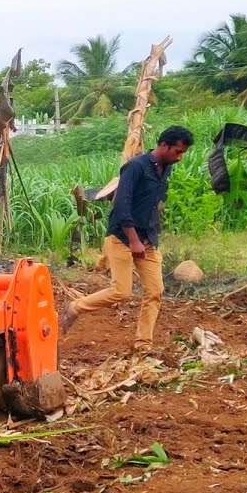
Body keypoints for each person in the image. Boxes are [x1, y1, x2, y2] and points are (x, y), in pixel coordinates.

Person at [60, 125, 194, 354]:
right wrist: (133, 240)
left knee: (155, 292)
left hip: (148, 238)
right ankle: (75, 307)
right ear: (164, 145)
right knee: (121, 291)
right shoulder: (135, 167)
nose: (179, 158)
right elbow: (121, 205)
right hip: (122, 238)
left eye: (182, 153)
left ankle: (143, 344)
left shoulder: (165, 168)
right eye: (177, 152)